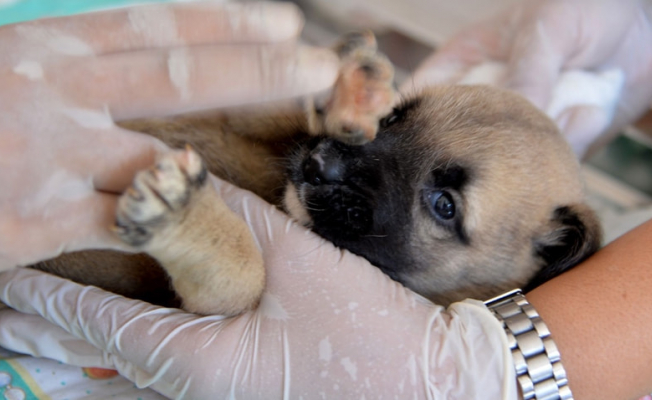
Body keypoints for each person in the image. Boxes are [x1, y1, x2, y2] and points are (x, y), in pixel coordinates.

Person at [0, 0, 651, 399]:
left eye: (443, 206)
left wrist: (197, 230)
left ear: (547, 257)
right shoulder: (313, 143)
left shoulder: (364, 336)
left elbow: (230, 297)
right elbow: (233, 118)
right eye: (396, 123)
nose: (340, 159)